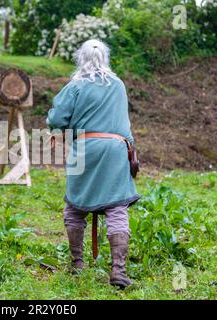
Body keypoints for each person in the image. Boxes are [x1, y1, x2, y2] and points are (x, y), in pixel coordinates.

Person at [46, 39, 140, 288]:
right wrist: (131, 152)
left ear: (81, 59)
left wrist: (58, 128)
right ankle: (118, 271)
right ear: (105, 59)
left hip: (85, 149)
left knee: (75, 207)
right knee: (117, 208)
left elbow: (57, 118)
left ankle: (77, 264)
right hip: (117, 149)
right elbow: (124, 124)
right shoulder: (118, 85)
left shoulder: (76, 86)